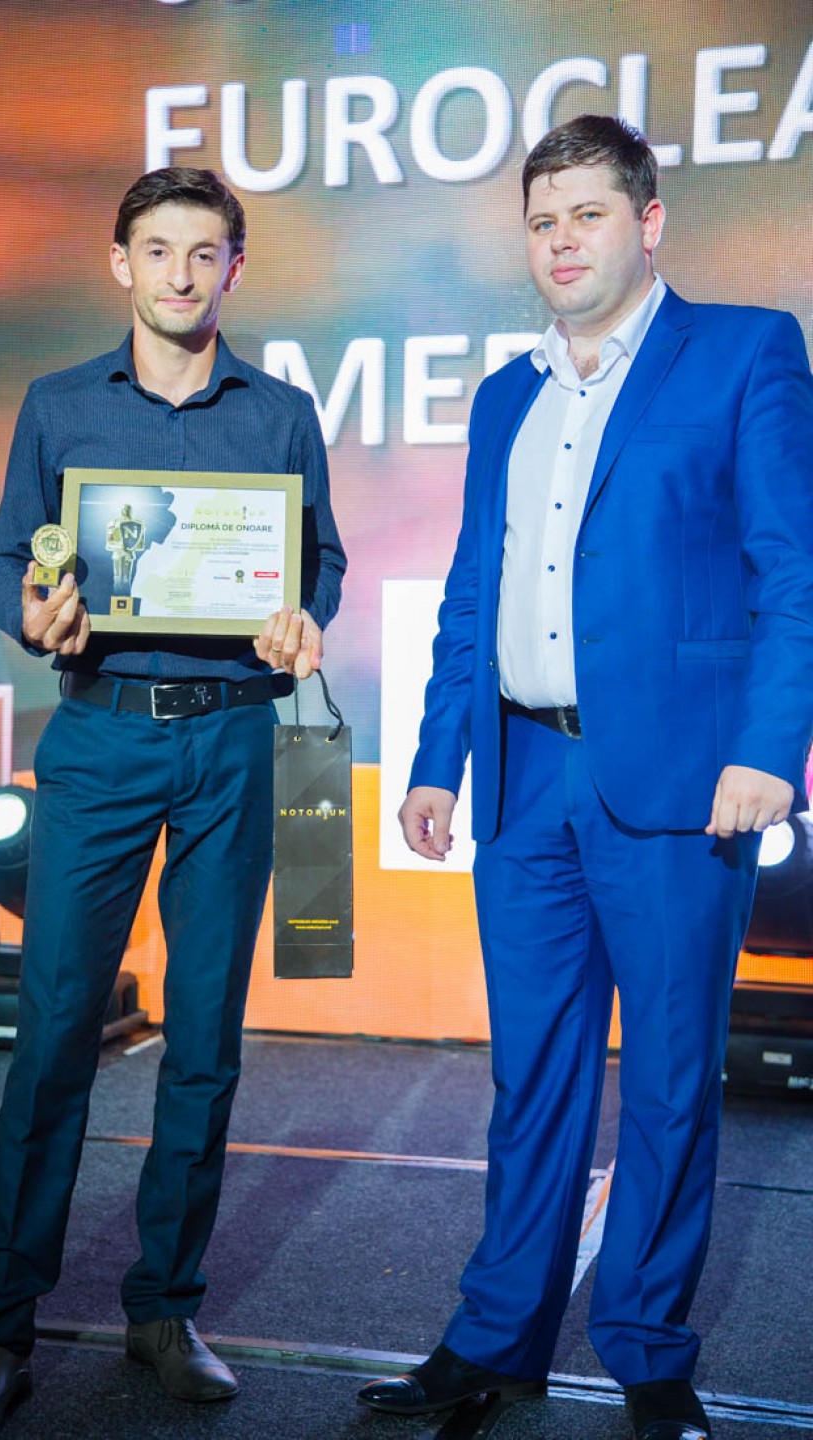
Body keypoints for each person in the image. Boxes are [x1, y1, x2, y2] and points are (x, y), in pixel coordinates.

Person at [357, 115, 813, 1440]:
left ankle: (650, 1354)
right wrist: (436, 758)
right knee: (533, 1079)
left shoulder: (746, 351)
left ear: (649, 222)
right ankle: (496, 1339)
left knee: (670, 1080)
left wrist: (766, 749)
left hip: (682, 783)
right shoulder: (507, 394)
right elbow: (472, 590)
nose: (562, 241)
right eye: (543, 221)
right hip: (523, 778)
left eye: (589, 215)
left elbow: (791, 571)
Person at [0, 166, 345, 1437]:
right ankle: (0, 1326)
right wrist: (28, 611)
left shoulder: (280, 415)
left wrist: (303, 613)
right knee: (56, 1029)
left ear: (234, 269)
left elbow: (319, 556)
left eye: (204, 252)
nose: (180, 273)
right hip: (100, 737)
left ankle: (165, 1310)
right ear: (121, 262)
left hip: (231, 741)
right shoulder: (59, 404)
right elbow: (13, 554)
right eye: (157, 249)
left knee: (204, 1042)